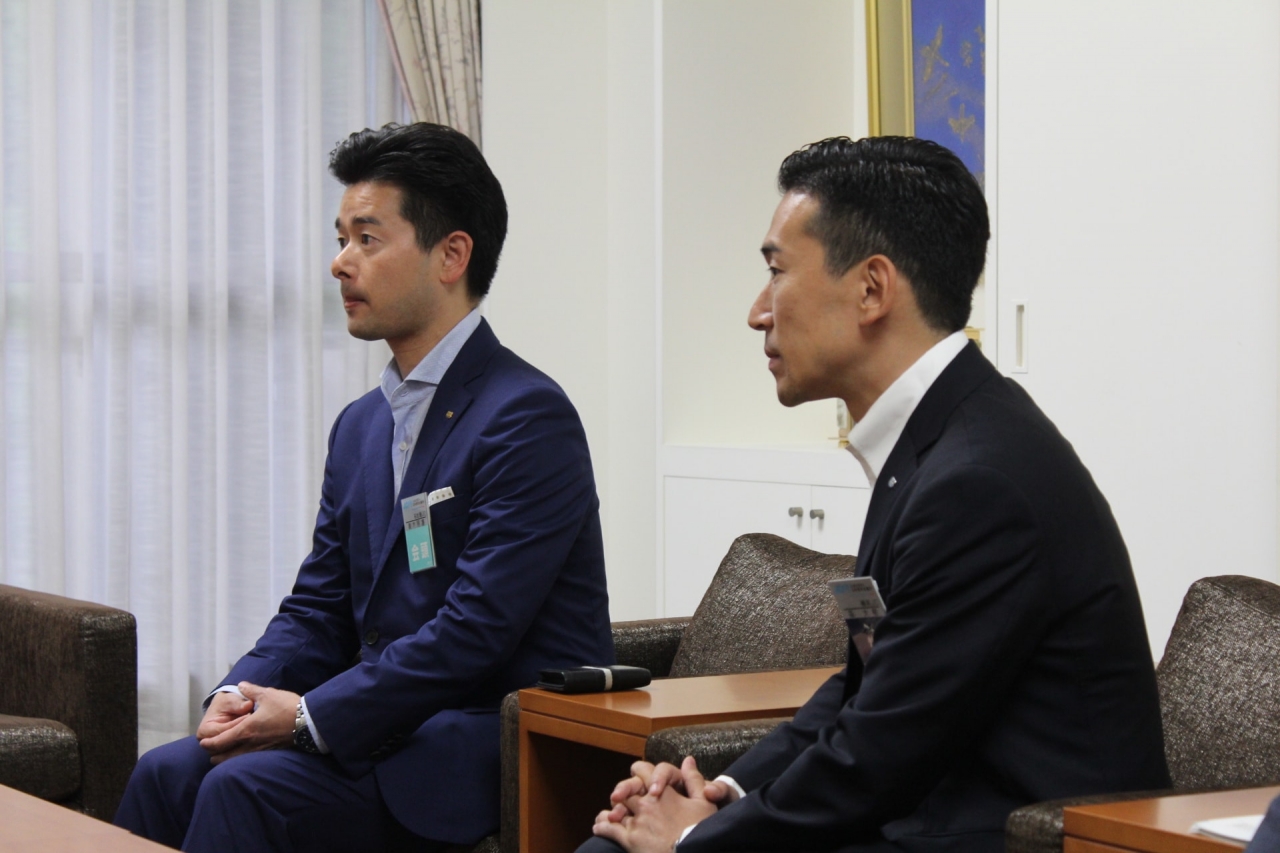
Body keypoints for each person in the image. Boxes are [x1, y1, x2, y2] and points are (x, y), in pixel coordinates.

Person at [583, 136, 1170, 853]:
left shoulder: (977, 482)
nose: (758, 312)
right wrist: (722, 792)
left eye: (776, 272)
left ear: (871, 289)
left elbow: (879, 753)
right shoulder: (940, 440)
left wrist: (697, 838)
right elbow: (866, 687)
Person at [114, 122, 614, 852]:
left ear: (452, 255)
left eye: (367, 239)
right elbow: (318, 606)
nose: (339, 262)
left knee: (244, 788)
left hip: (470, 743)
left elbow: (474, 631)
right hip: (378, 727)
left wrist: (307, 716)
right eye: (341, 238)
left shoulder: (527, 415)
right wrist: (238, 694)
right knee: (165, 771)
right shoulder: (361, 424)